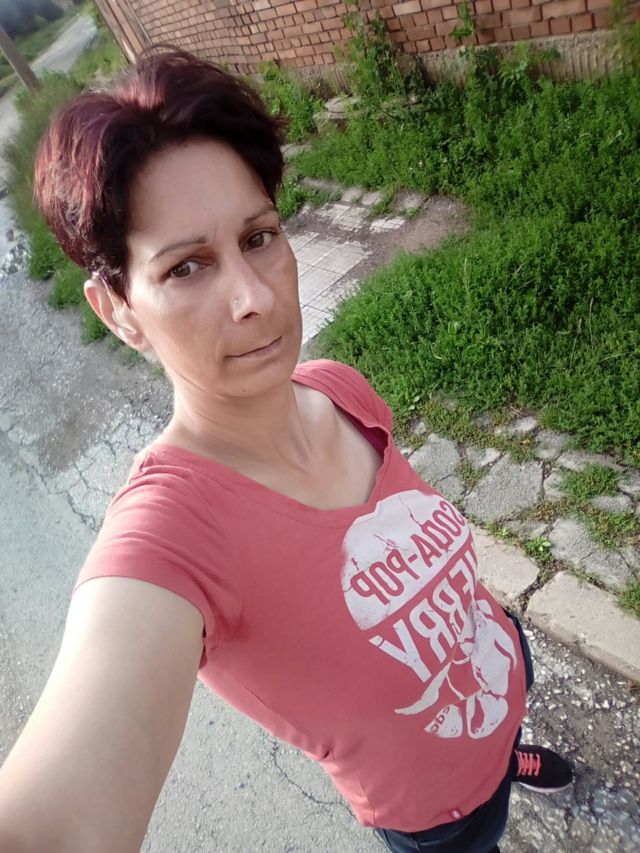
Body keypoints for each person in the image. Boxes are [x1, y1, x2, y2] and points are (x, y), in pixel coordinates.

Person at [0, 48, 572, 852]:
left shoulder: (339, 389)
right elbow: (55, 817)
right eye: (186, 267)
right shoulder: (173, 534)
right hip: (438, 815)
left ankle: (508, 754)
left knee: (501, 727)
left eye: (259, 236)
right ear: (119, 309)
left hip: (497, 664)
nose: (255, 297)